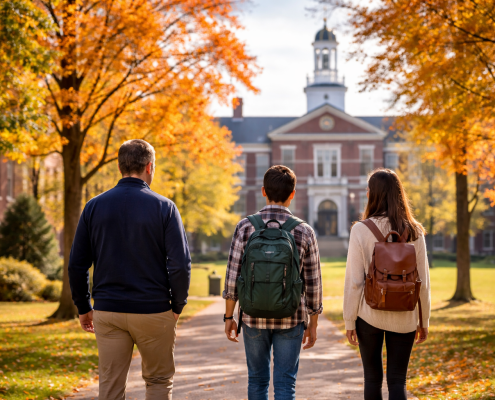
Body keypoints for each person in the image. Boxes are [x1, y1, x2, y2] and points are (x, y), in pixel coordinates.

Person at [68, 139, 191, 400]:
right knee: (158, 381)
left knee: (110, 387)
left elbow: (77, 264)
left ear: (120, 166)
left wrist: (83, 307)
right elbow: (180, 265)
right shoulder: (165, 207)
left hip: (108, 311)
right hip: (153, 310)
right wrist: (177, 306)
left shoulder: (93, 207)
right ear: (149, 167)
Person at [223, 165, 323, 400]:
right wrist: (314, 322)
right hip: (291, 316)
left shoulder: (245, 226)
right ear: (293, 193)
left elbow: (232, 277)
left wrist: (229, 317)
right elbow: (313, 283)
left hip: (253, 316)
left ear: (263, 191)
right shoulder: (304, 231)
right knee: (285, 384)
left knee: (257, 381)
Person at [343, 168, 430, 400]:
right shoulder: (415, 231)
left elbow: (354, 282)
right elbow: (423, 281)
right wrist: (424, 320)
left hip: (368, 314)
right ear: (398, 194)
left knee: (372, 378)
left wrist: (349, 320)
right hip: (405, 314)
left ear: (372, 194)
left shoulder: (360, 230)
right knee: (398, 380)